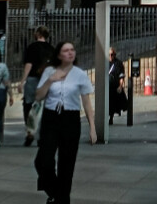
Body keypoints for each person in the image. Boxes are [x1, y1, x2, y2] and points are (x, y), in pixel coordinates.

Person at [34, 41, 96, 204]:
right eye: (66, 50)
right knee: (43, 161)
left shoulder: (80, 74)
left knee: (66, 164)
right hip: (51, 117)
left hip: (70, 119)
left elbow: (87, 102)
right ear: (59, 54)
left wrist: (92, 128)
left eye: (72, 50)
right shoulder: (49, 71)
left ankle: (61, 199)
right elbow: (38, 96)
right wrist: (50, 80)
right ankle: (55, 193)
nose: (70, 53)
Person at [20, 26, 53, 145]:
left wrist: (22, 80)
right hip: (45, 81)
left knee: (28, 105)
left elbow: (28, 65)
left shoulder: (31, 47)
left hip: (32, 79)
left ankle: (30, 132)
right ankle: (41, 136)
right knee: (43, 107)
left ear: (38, 34)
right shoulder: (51, 49)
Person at [107, 48, 126, 125]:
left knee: (112, 104)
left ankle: (111, 118)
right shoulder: (104, 63)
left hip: (114, 87)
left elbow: (121, 76)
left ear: (115, 55)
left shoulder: (118, 63)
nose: (111, 56)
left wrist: (120, 86)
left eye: (112, 54)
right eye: (109, 54)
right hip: (106, 87)